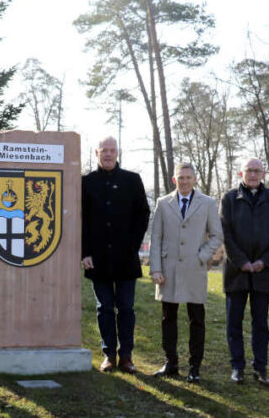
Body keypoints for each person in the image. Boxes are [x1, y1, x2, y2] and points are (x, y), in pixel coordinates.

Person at [81, 136, 150, 373]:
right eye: (104, 150)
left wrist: (132, 247)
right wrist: (84, 252)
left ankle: (127, 356)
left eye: (112, 150)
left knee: (126, 307)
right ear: (96, 153)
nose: (108, 154)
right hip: (96, 259)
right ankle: (109, 354)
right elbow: (81, 221)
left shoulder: (132, 180)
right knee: (105, 308)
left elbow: (143, 214)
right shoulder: (86, 182)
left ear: (117, 152)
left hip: (126, 258)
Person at [150, 163, 223, 383]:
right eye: (180, 178)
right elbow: (156, 239)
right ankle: (170, 362)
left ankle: (194, 367)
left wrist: (202, 256)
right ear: (174, 180)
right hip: (168, 269)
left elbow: (217, 236)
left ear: (195, 179)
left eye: (188, 177)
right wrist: (155, 269)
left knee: (197, 319)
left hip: (194, 269)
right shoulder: (163, 204)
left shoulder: (208, 203)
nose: (184, 181)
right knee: (168, 317)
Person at [220, 157, 269, 386]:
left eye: (257, 171)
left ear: (263, 173)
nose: (253, 175)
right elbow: (225, 234)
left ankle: (261, 368)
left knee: (260, 324)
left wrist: (264, 262)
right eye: (249, 170)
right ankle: (237, 367)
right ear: (241, 174)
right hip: (236, 271)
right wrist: (242, 262)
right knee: (233, 322)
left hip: (262, 272)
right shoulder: (229, 199)